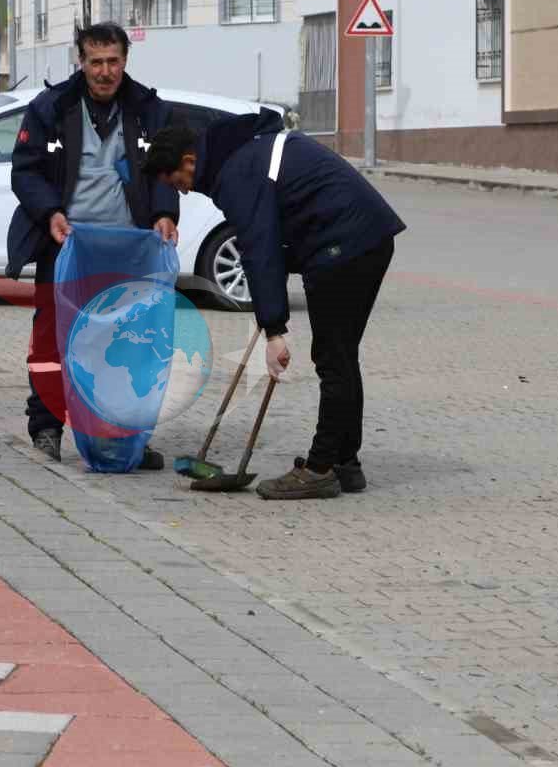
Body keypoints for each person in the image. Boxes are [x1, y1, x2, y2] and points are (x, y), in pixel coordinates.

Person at [142, 110, 405, 500]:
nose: (181, 191)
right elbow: (273, 239)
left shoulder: (236, 173)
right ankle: (345, 464)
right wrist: (272, 310)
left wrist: (275, 330)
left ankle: (322, 467)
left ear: (189, 162)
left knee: (333, 358)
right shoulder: (244, 154)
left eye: (177, 182)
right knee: (341, 356)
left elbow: (259, 247)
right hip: (363, 238)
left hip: (345, 244)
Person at [7, 22, 179, 465]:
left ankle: (123, 438)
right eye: (96, 62)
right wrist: (50, 213)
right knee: (53, 340)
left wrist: (164, 213)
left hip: (130, 249)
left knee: (127, 344)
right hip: (67, 248)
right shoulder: (51, 107)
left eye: (113, 61)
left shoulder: (148, 109)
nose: (105, 72)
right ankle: (46, 427)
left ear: (126, 60)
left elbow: (165, 169)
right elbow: (24, 171)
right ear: (80, 61)